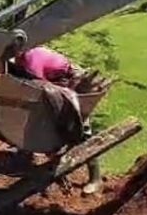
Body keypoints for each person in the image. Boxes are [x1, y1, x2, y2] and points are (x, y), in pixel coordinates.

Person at [12, 46, 102, 195]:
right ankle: (25, 153)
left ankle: (95, 178)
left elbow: (36, 87)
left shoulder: (31, 57)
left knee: (79, 127)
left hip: (73, 81)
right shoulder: (18, 58)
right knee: (36, 113)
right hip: (53, 82)